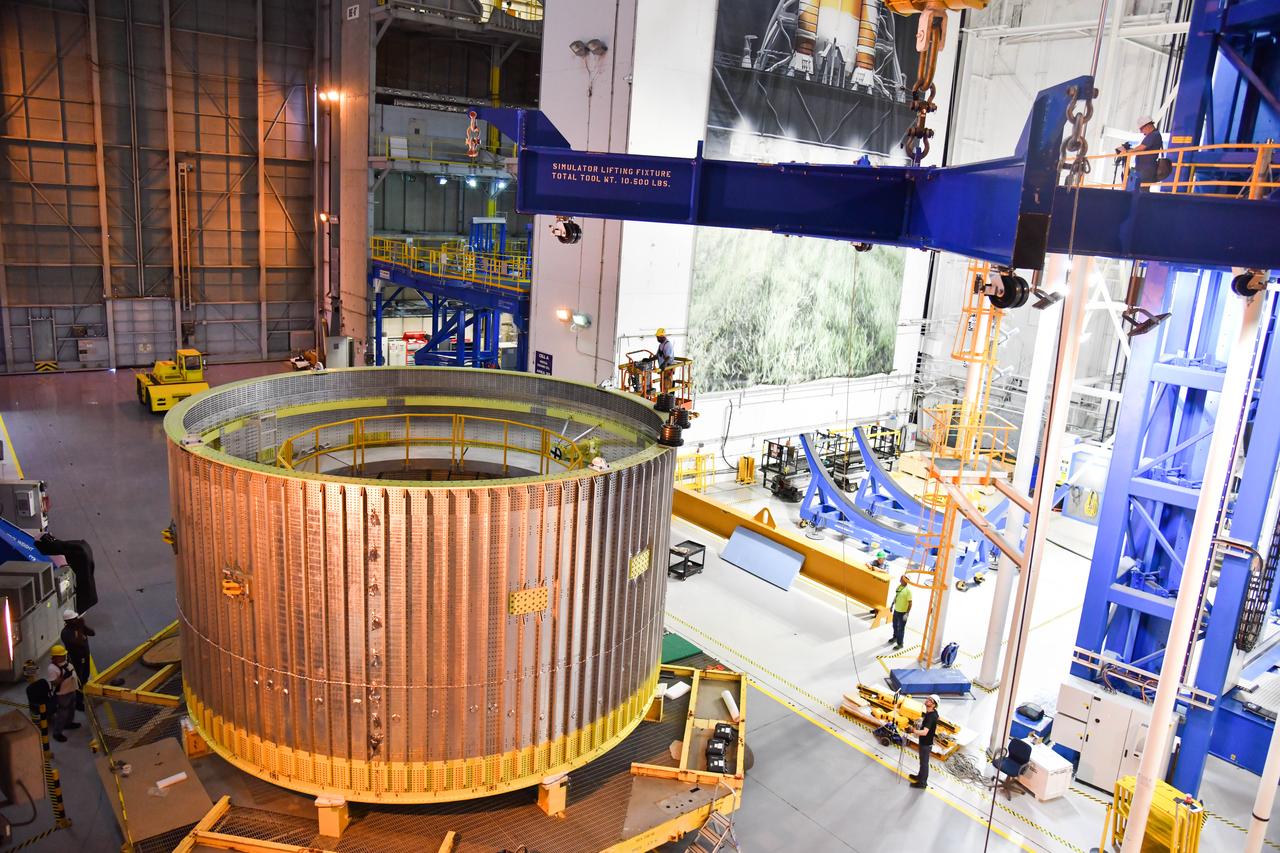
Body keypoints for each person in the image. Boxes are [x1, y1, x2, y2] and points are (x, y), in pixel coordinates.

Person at [61, 609, 95, 711]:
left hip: (85, 657)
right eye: (74, 619)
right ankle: (78, 702)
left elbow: (92, 633)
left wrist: (84, 627)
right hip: (76, 660)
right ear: (69, 621)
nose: (77, 620)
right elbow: (77, 643)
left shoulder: (79, 627)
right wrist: (80, 629)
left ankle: (84, 695)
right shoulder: (66, 633)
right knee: (78, 681)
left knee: (85, 676)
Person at [1118, 115, 1163, 190]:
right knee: (1138, 190)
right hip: (1142, 169)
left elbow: (1142, 147)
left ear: (1148, 125)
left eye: (1141, 129)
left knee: (1141, 191)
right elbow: (1143, 149)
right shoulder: (1153, 135)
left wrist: (1127, 151)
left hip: (1146, 170)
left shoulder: (1154, 135)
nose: (1141, 132)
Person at [46, 645, 81, 743]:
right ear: (55, 657)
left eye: (65, 654)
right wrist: (64, 677)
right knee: (62, 713)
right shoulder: (52, 668)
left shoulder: (65, 662)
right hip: (63, 694)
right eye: (62, 655)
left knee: (71, 709)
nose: (65, 656)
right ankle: (57, 733)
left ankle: (68, 723)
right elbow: (54, 683)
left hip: (72, 690)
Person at [909, 694, 941, 789]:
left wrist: (913, 730)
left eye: (931, 700)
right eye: (928, 699)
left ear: (934, 705)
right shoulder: (932, 712)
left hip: (926, 743)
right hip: (925, 742)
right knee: (922, 762)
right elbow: (936, 718)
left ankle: (923, 783)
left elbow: (924, 732)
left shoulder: (931, 716)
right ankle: (920, 777)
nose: (928, 700)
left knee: (924, 763)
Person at [890, 575, 912, 650]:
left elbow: (910, 603)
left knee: (901, 629)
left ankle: (900, 644)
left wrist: (907, 613)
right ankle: (895, 637)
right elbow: (896, 596)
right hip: (896, 611)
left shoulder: (908, 591)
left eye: (902, 578)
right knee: (895, 625)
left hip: (903, 613)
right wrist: (892, 605)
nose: (900, 579)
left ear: (906, 580)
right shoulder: (899, 587)